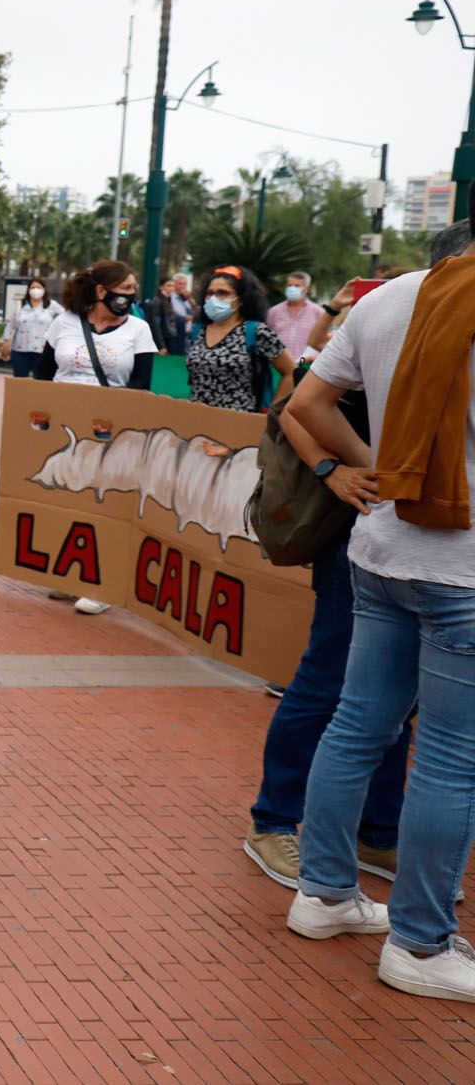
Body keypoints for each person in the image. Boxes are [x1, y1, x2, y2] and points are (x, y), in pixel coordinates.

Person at [286, 221, 475, 1002]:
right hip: (463, 568)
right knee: (449, 758)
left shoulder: (389, 296)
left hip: (382, 551)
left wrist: (367, 470)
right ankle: (420, 943)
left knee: (358, 723)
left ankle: (324, 892)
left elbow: (307, 401)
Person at [243, 342, 408, 889]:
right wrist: (332, 468)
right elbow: (294, 407)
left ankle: (377, 831)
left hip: (418, 543)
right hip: (355, 532)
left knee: (399, 695)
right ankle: (273, 822)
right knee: (325, 680)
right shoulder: (388, 318)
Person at [34, 260, 156, 614]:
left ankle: (101, 583)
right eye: (126, 288)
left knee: (103, 503)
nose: (131, 295)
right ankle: (70, 572)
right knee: (66, 499)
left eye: (133, 290)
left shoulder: (139, 330)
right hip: (63, 429)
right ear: (102, 291)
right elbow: (42, 375)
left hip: (110, 433)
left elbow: (141, 386)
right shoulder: (64, 324)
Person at [186, 265, 296, 413]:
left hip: (238, 423)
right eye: (209, 293)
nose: (213, 299)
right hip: (197, 420)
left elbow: (291, 373)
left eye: (222, 293)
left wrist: (272, 414)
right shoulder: (199, 330)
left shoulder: (256, 332)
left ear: (241, 299)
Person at [9, 277, 59, 378]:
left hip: (43, 350)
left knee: (41, 381)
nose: (35, 290)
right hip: (20, 350)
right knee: (20, 381)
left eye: (38, 287)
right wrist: (6, 342)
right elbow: (10, 324)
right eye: (33, 287)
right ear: (28, 290)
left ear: (44, 289)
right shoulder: (20, 305)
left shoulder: (51, 305)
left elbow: (63, 320)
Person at [267, 269, 319, 359]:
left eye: (297, 286)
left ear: (306, 289)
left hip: (305, 365)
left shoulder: (318, 312)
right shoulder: (274, 312)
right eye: (289, 285)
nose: (292, 288)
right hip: (279, 366)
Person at [145, 272, 193, 357]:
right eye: (168, 285)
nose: (171, 288)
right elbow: (155, 326)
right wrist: (161, 346)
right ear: (161, 287)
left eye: (173, 286)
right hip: (164, 342)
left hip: (172, 340)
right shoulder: (157, 301)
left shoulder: (167, 300)